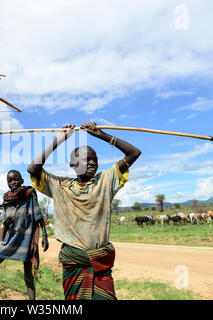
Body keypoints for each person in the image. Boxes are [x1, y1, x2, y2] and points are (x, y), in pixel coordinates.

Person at [27, 121, 141, 300]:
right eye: (87, 159)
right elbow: (33, 169)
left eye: (95, 159)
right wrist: (59, 140)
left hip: (100, 261)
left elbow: (134, 153)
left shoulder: (105, 180)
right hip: (74, 262)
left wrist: (101, 135)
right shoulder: (59, 185)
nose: (93, 162)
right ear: (73, 164)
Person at [0, 170, 49, 300]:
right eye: (10, 180)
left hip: (26, 238)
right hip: (10, 238)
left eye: (16, 179)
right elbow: (5, 219)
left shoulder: (29, 194)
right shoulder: (6, 198)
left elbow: (38, 215)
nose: (13, 182)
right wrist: (6, 223)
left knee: (28, 277)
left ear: (22, 181)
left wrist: (45, 235)